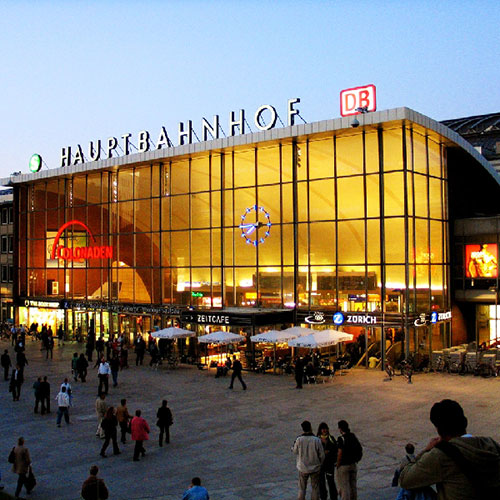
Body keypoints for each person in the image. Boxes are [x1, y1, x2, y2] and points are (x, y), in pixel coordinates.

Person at [399, 399, 500, 499]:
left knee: (410, 489)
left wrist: (426, 450)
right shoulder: (490, 444)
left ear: (439, 430)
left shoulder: (441, 455)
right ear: (465, 422)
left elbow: (404, 479)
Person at [292, 420, 325, 500]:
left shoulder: (299, 439)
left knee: (302, 488)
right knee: (315, 488)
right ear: (310, 427)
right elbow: (322, 455)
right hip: (315, 467)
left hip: (303, 468)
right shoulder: (316, 440)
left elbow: (295, 451)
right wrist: (320, 463)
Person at [336, 420, 362, 500]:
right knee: (353, 486)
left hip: (344, 466)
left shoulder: (341, 439)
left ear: (340, 429)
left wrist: (338, 463)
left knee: (344, 488)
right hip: (353, 464)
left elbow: (340, 452)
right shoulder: (352, 436)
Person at [317, 422, 338, 500]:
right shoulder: (317, 439)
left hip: (329, 464)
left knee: (331, 482)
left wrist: (330, 453)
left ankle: (334, 497)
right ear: (320, 430)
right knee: (321, 483)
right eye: (323, 429)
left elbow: (336, 449)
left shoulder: (331, 438)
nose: (324, 430)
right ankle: (323, 497)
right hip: (320, 465)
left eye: (325, 429)